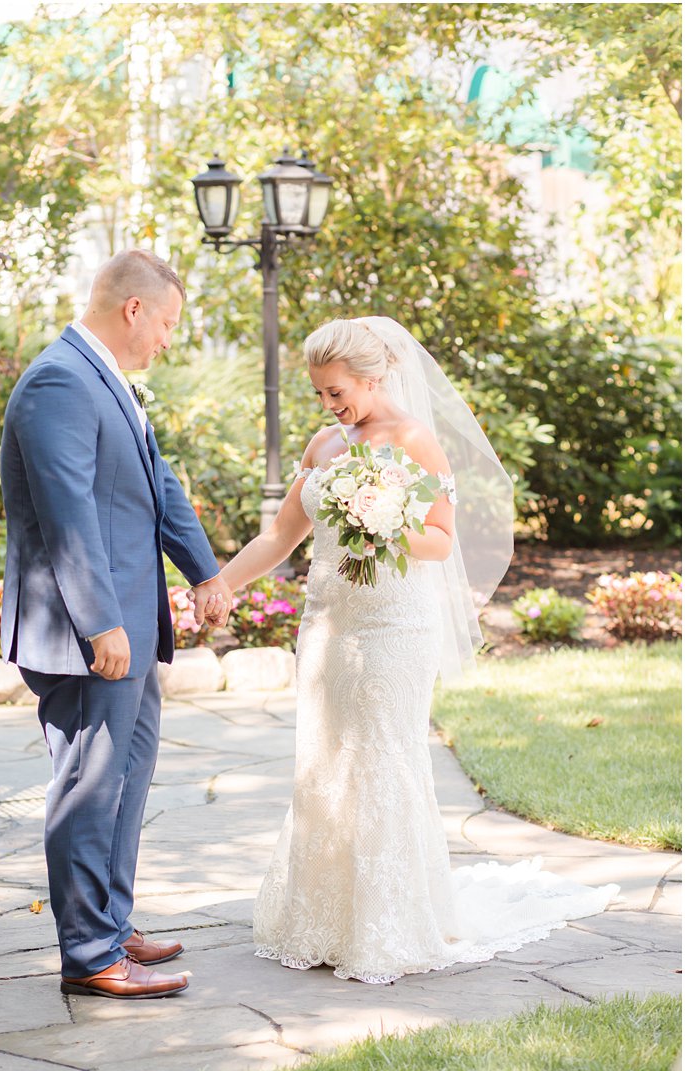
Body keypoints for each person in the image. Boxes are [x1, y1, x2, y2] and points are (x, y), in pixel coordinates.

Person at [218, 316, 619, 984]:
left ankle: (388, 921)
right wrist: (218, 585)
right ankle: (322, 918)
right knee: (325, 761)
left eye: (337, 391)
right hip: (328, 625)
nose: (329, 405)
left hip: (394, 627)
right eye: (320, 393)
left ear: (374, 377)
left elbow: (440, 539)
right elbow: (281, 537)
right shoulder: (323, 446)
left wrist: (385, 524)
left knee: (382, 760)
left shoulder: (415, 441)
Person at [0, 250, 233, 1000]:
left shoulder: (109, 382)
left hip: (133, 625)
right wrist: (100, 622)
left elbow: (157, 486)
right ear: (134, 309)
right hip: (90, 636)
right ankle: (91, 953)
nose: (168, 339)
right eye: (167, 323)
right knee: (90, 784)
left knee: (127, 780)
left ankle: (112, 918)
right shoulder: (60, 382)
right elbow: (68, 514)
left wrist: (206, 571)